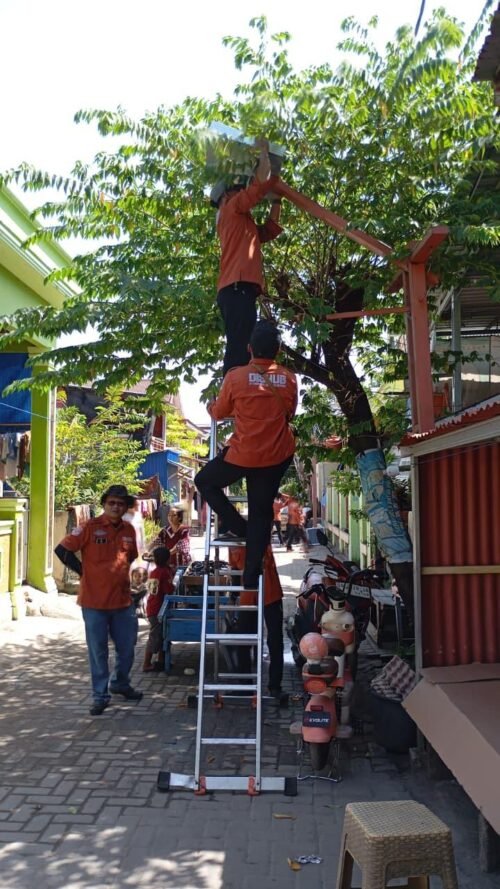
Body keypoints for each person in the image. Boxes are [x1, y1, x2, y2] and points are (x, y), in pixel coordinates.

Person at [195, 320, 297, 590]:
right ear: (278, 351)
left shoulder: (235, 377)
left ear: (249, 348)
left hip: (244, 454)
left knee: (204, 481)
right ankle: (252, 574)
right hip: (276, 454)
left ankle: (238, 526)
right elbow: (289, 413)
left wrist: (211, 407)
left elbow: (219, 413)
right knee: (261, 512)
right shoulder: (289, 378)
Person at [54, 484, 143, 716]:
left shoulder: (129, 530)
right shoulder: (89, 527)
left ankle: (120, 683)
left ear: (126, 507)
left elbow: (130, 559)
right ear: (104, 504)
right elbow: (62, 550)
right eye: (111, 502)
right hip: (94, 603)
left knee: (127, 648)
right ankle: (100, 696)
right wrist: (83, 572)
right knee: (98, 652)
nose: (116, 507)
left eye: (121, 503)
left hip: (123, 602)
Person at [210, 139, 283, 376]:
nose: (242, 192)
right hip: (236, 287)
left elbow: (268, 231)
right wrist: (264, 153)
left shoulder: (241, 221)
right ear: (226, 195)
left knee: (242, 343)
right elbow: (256, 190)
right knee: (240, 346)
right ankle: (234, 389)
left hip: (238, 289)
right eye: (238, 190)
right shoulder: (231, 208)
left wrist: (277, 200)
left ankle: (236, 387)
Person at [228, 544, 285, 701]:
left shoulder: (261, 537)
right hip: (248, 595)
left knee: (275, 640)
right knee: (242, 639)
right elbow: (234, 569)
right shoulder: (233, 544)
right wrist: (234, 595)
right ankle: (244, 685)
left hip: (270, 592)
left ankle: (275, 686)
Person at [142, 547, 173, 673]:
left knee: (161, 634)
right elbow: (168, 590)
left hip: (153, 607)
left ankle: (161, 660)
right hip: (157, 610)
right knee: (155, 637)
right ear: (167, 559)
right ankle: (146, 664)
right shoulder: (164, 572)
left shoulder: (155, 571)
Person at [123, 496, 146, 566]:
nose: (138, 505)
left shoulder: (138, 515)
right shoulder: (123, 517)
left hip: (138, 546)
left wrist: (143, 547)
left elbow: (142, 532)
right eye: (136, 504)